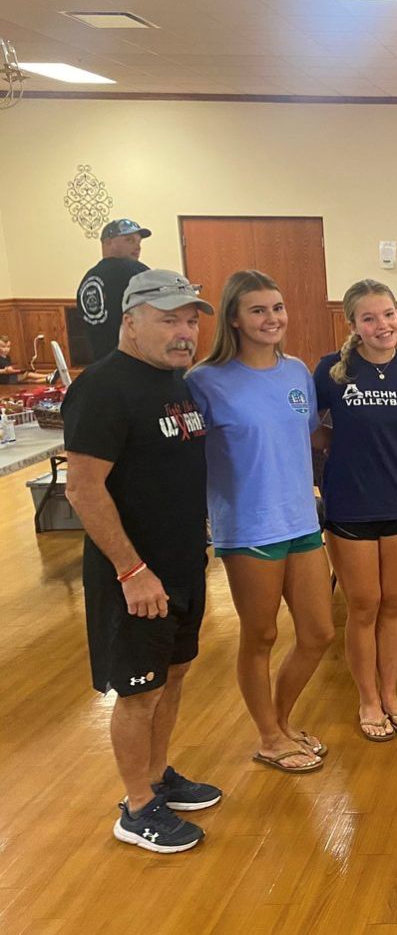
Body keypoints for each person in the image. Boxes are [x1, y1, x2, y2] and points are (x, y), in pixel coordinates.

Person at [63, 269, 220, 853]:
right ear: (130, 321)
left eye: (190, 321)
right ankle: (135, 807)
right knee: (139, 692)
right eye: (168, 320)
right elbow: (83, 489)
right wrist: (132, 571)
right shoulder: (104, 388)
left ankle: (156, 776)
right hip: (134, 575)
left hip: (182, 564)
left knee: (173, 675)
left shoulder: (175, 381)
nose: (184, 333)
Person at [186, 270, 333, 773]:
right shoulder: (203, 381)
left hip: (301, 520)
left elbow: (312, 437)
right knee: (261, 635)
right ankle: (268, 737)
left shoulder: (296, 372)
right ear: (233, 318)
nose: (272, 318)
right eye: (258, 310)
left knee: (318, 633)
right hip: (248, 527)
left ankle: (282, 722)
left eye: (277, 308)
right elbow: (184, 456)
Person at [313, 279, 397, 741]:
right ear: (353, 325)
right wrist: (338, 445)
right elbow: (308, 426)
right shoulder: (331, 370)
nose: (383, 325)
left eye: (389, 314)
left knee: (394, 603)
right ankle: (367, 699)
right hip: (350, 503)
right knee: (363, 605)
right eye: (370, 318)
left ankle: (391, 693)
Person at [77, 219, 152, 363]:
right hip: (136, 363)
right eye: (129, 240)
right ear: (108, 242)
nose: (137, 247)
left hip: (100, 363)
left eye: (139, 242)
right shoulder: (138, 273)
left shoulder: (88, 279)